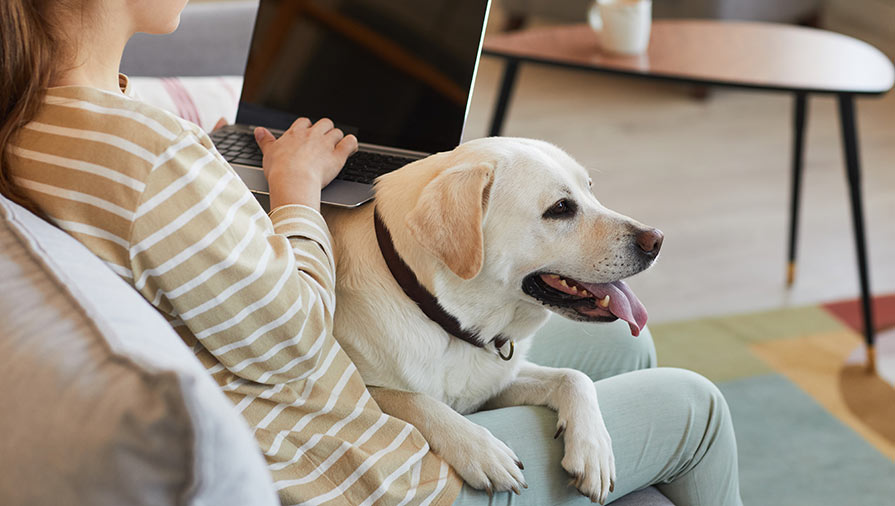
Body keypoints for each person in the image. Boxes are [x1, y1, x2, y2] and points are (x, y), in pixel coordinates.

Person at [0, 1, 743, 504]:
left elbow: (164, 238)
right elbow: (295, 335)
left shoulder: (41, 113)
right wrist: (293, 188)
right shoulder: (151, 157)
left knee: (620, 353)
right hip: (367, 467)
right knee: (698, 406)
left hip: (332, 423)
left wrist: (223, 186)